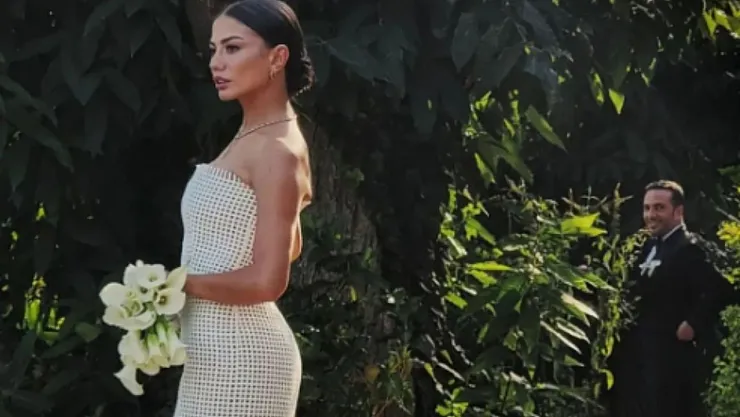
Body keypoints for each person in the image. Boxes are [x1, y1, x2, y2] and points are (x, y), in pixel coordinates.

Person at [172, 1, 314, 416]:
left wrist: (175, 284)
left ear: (277, 58)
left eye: (232, 48)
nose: (216, 62)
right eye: (214, 49)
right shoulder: (256, 136)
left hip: (243, 357)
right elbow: (291, 246)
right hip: (211, 354)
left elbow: (268, 280)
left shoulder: (276, 150)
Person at [607, 180, 734, 417]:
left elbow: (719, 289)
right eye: (647, 208)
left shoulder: (692, 247)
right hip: (642, 355)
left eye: (659, 208)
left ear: (678, 211)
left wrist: (693, 324)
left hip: (674, 359)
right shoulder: (646, 247)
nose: (651, 215)